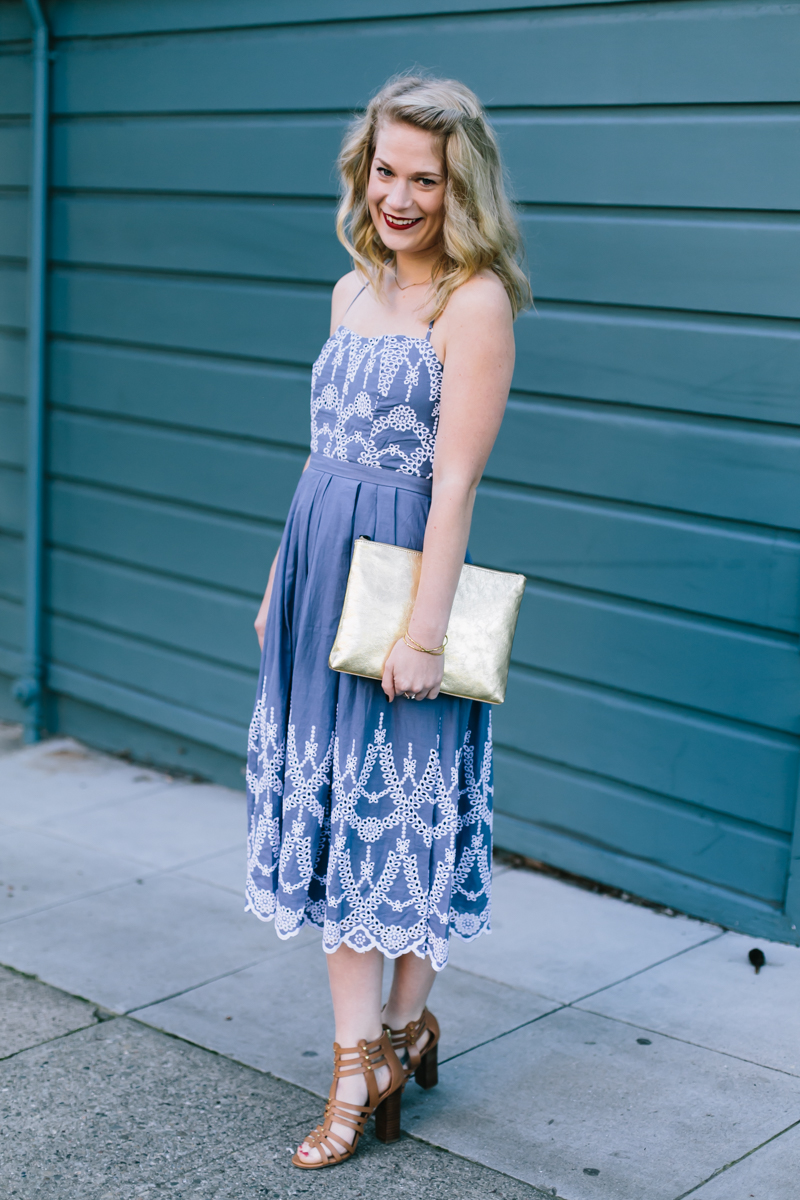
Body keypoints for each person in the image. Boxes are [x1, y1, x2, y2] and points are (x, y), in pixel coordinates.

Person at [245, 73, 531, 1169]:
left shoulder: (475, 302)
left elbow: (452, 483)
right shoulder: (348, 289)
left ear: (461, 189)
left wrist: (419, 634)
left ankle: (360, 1063)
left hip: (402, 584)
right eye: (385, 170)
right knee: (339, 825)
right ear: (360, 168)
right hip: (320, 571)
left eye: (425, 178)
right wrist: (279, 577)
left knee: (392, 824)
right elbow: (322, 456)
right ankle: (398, 1035)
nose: (398, 197)